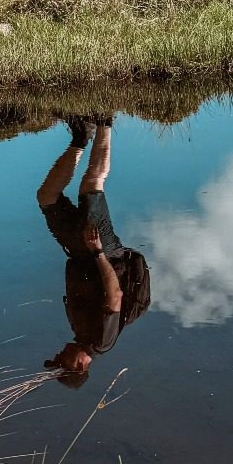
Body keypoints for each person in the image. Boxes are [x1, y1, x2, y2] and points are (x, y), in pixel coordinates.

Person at [37, 116, 151, 386]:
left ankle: (80, 138)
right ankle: (104, 122)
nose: (58, 353)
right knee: (92, 185)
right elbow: (115, 296)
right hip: (103, 252)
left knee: (46, 197)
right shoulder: (101, 342)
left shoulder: (80, 334)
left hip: (79, 251)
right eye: (61, 360)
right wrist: (99, 251)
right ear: (78, 365)